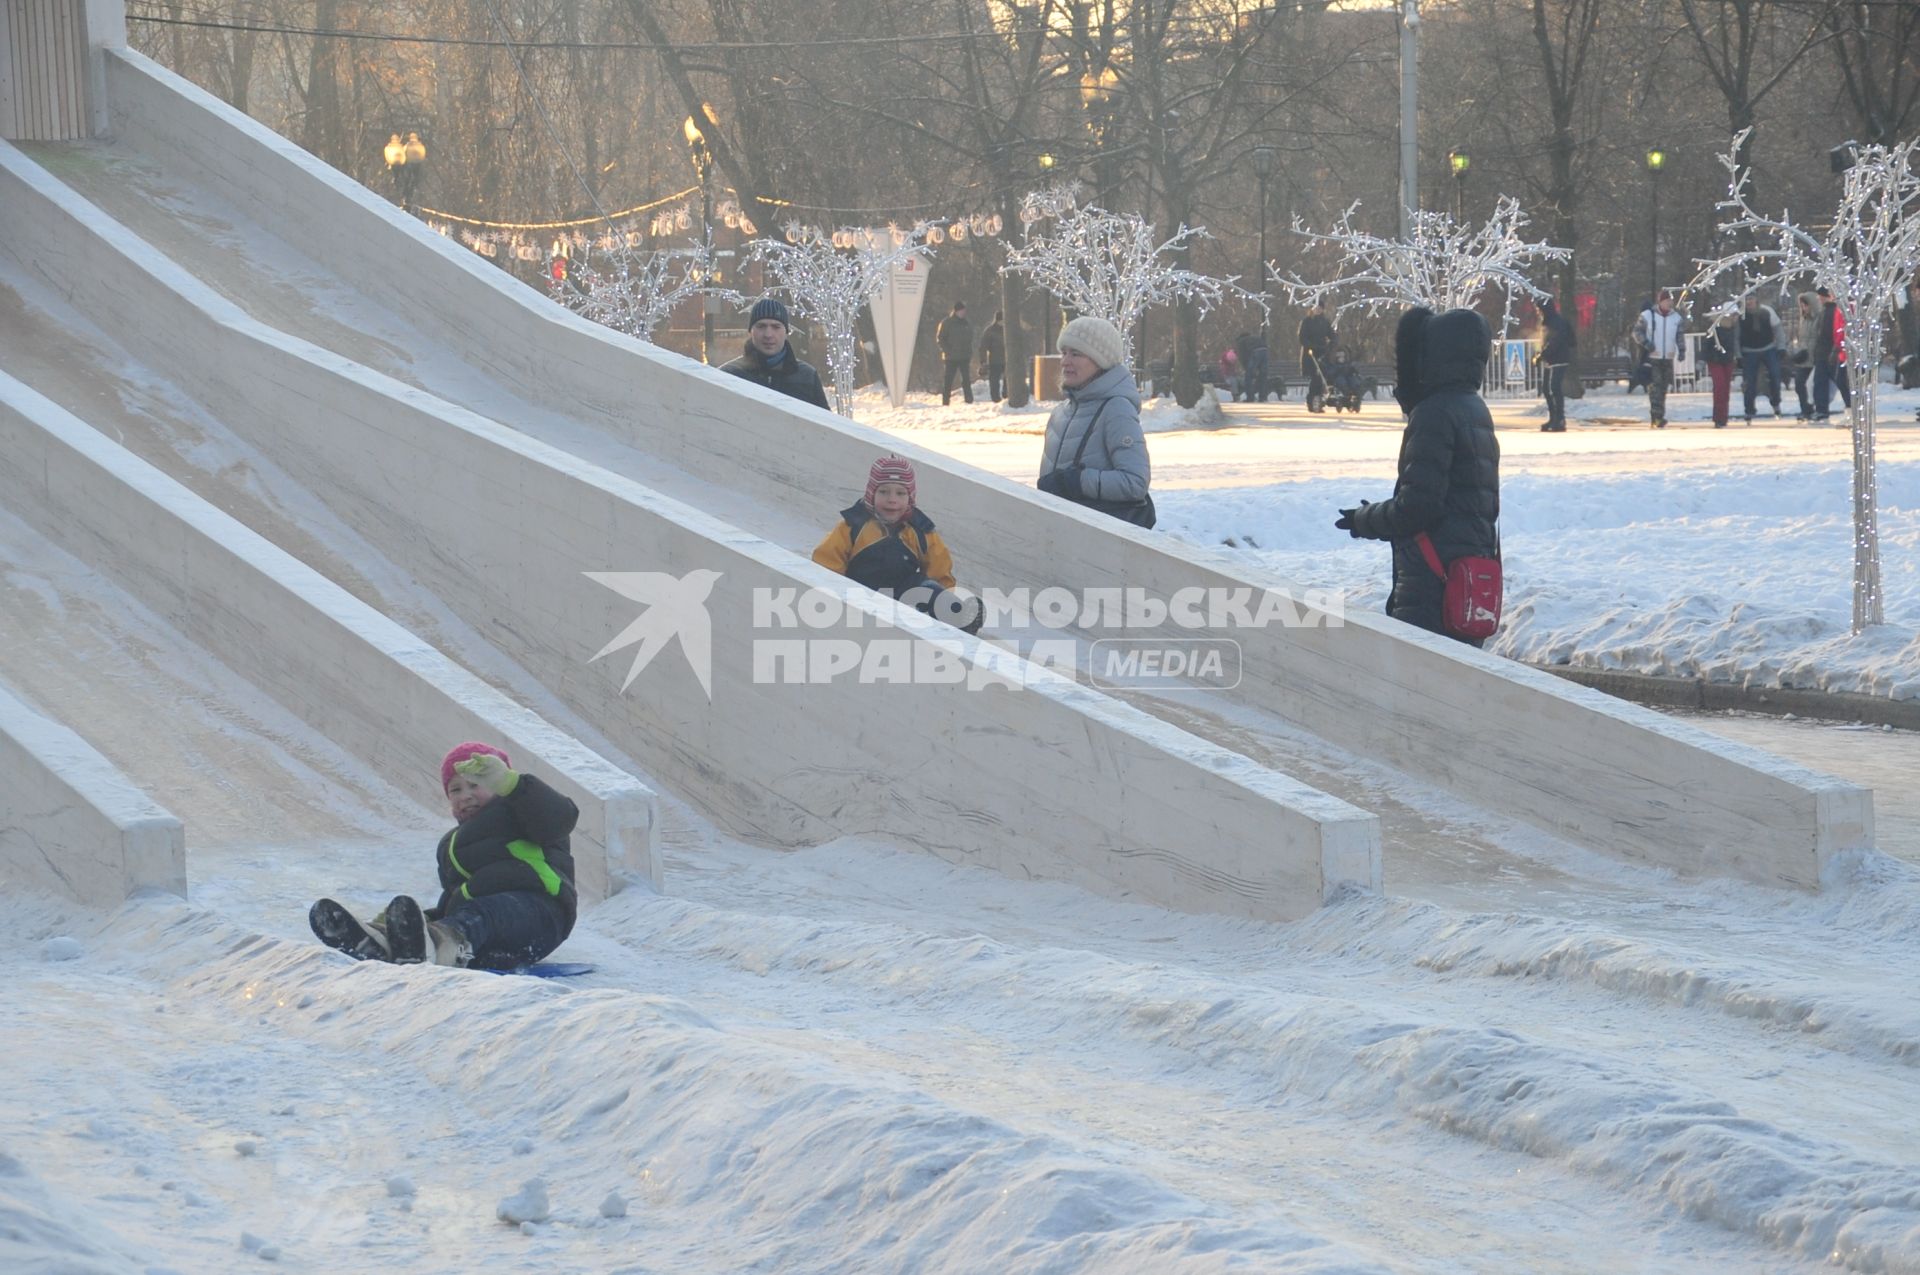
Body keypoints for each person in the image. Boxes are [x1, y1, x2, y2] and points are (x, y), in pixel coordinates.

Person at [308, 744, 580, 969]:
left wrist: (513, 785)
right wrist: (408, 921)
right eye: (456, 790)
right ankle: (383, 941)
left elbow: (560, 818)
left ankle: (441, 948)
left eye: (476, 784)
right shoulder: (450, 845)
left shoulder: (520, 812)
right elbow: (454, 896)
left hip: (540, 914)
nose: (466, 795)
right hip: (490, 936)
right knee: (448, 915)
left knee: (478, 914)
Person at [1335, 307, 1499, 648]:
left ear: (1434, 355)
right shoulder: (1474, 407)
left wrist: (1364, 519)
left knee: (1420, 685)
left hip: (1431, 586)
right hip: (1466, 578)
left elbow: (1418, 506)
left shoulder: (1434, 413)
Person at [813, 455, 981, 632]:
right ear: (871, 493)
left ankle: (960, 619)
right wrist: (836, 596)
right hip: (861, 592)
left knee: (928, 588)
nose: (892, 499)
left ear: (910, 497)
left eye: (900, 493)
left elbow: (938, 567)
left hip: (904, 593)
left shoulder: (919, 529)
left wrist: (947, 597)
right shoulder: (853, 525)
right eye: (883, 492)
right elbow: (827, 560)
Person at [1037, 316, 1153, 527]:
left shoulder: (1116, 409)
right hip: (1059, 537)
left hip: (1098, 543)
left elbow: (1135, 483)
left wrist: (1078, 482)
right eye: (1064, 352)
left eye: (1076, 354)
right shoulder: (1060, 413)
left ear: (1100, 361)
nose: (1065, 361)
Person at [721, 298, 830, 410]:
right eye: (761, 326)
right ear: (750, 331)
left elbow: (825, 424)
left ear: (786, 332)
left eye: (776, 327)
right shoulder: (729, 375)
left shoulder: (807, 376)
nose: (768, 334)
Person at [1631, 290, 1684, 428]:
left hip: (1667, 358)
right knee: (1655, 388)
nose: (1669, 303)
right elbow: (1636, 332)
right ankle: (1656, 416)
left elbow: (1679, 335)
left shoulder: (1676, 318)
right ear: (1660, 301)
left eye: (1671, 301)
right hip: (1653, 357)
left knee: (1663, 388)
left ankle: (1659, 415)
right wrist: (1646, 343)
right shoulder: (1648, 316)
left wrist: (1682, 349)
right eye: (1667, 301)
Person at [1737, 294, 1784, 422]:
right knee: (1749, 382)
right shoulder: (1740, 315)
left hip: (1768, 347)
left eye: (1751, 298)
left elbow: (1778, 329)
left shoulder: (1766, 311)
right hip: (1749, 350)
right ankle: (1749, 409)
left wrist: (1781, 347)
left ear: (1756, 299)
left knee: (1775, 375)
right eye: (1746, 300)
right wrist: (1738, 355)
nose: (1749, 302)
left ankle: (1776, 403)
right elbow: (1736, 336)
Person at [1813, 286, 1853, 422]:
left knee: (1843, 382)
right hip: (1836, 350)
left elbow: (1839, 330)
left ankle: (1851, 411)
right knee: (1841, 381)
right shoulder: (1832, 310)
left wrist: (1836, 347)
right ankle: (1849, 411)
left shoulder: (1838, 310)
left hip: (1838, 351)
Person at [1537, 298, 1574, 432]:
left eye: (1540, 309)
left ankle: (1560, 419)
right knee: (1547, 389)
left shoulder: (1556, 322)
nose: (1538, 312)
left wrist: (1543, 354)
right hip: (1551, 359)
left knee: (1554, 388)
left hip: (1558, 359)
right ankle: (1553, 418)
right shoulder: (1549, 322)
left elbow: (1555, 341)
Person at [1703, 310, 1739, 428]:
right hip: (1715, 360)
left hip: (1727, 360)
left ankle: (1722, 417)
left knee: (1724, 388)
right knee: (1720, 386)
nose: (1736, 319)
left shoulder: (1734, 328)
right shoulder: (1716, 326)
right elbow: (1707, 343)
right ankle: (1719, 417)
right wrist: (1704, 358)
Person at [1298, 302, 1335, 412]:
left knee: (1323, 378)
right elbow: (1302, 338)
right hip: (1310, 354)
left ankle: (1319, 401)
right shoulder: (1307, 321)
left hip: (1323, 353)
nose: (1318, 310)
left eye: (1320, 308)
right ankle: (1312, 402)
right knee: (1315, 378)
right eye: (1316, 308)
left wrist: (1331, 344)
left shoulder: (1325, 322)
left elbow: (1332, 335)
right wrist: (1311, 346)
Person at [1788, 291, 1820, 419]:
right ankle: (1805, 409)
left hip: (1814, 356)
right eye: (1801, 305)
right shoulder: (1803, 319)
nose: (1803, 308)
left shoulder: (1818, 318)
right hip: (1804, 356)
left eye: (1805, 305)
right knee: (1800, 384)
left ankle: (1814, 408)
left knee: (1813, 385)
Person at [938, 302, 975, 405]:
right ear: (956, 311)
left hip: (964, 356)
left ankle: (969, 401)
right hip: (951, 358)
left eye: (964, 310)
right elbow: (940, 339)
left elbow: (970, 338)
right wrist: (947, 351)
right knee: (948, 381)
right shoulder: (947, 323)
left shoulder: (966, 323)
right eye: (962, 310)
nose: (964, 313)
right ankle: (945, 402)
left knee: (966, 380)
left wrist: (969, 351)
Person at [978, 310, 1007, 402]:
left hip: (1006, 359)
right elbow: (983, 347)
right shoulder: (990, 331)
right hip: (995, 359)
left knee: (1007, 379)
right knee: (994, 380)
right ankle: (995, 398)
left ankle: (1006, 395)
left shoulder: (1007, 329)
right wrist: (983, 361)